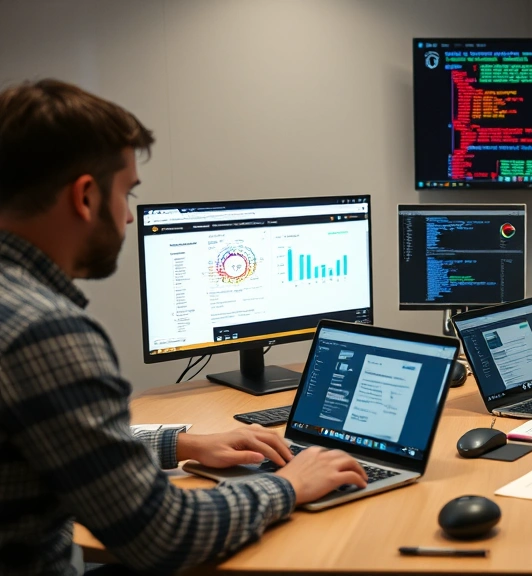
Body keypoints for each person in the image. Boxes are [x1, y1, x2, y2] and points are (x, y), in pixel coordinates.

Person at [0, 79, 368, 575]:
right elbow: (164, 535)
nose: (129, 218)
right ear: (85, 197)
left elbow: (52, 442)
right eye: (126, 193)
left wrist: (179, 443)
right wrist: (290, 484)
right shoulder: (44, 333)